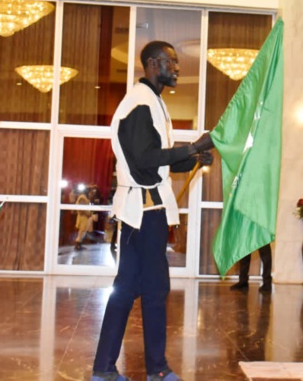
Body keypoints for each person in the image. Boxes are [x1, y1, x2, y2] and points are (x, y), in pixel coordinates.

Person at [91, 41, 215, 381]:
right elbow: (144, 161)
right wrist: (190, 147)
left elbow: (156, 166)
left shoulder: (151, 102)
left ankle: (105, 369)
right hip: (143, 213)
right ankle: (155, 369)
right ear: (152, 63)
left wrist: (192, 159)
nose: (177, 68)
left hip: (145, 210)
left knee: (131, 288)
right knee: (152, 289)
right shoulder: (139, 103)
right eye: (171, 62)